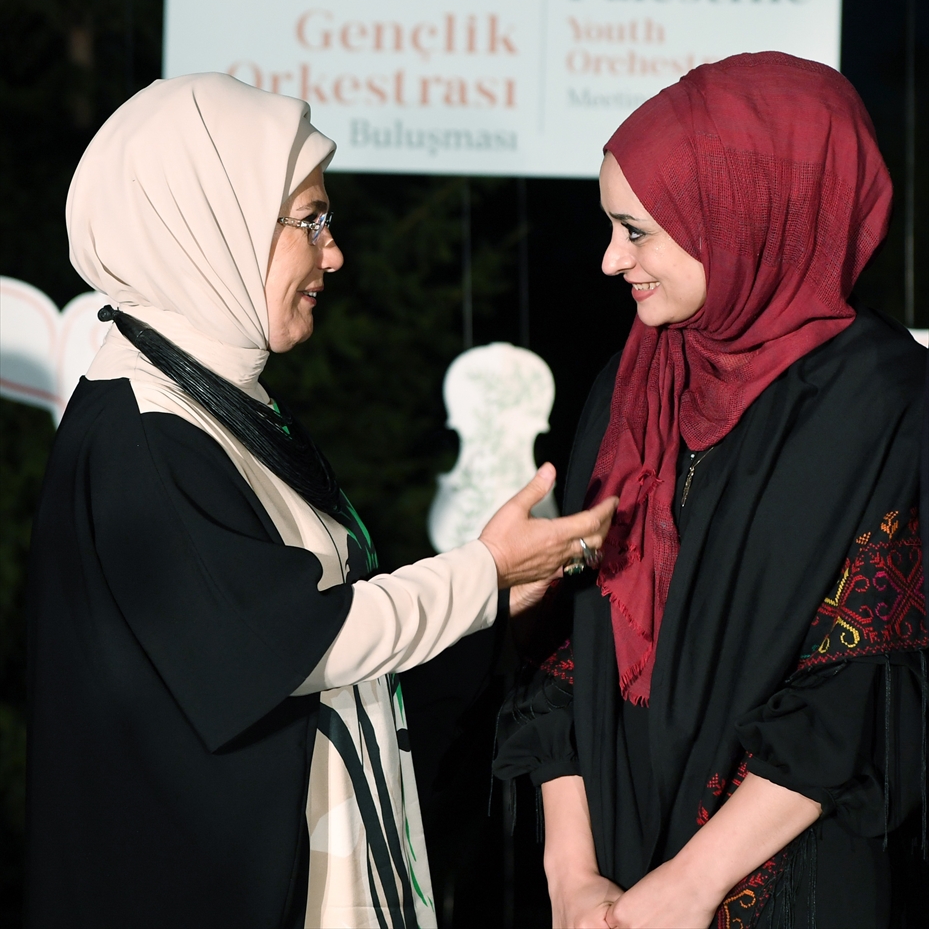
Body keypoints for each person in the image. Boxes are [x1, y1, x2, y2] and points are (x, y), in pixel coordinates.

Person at [25, 73, 614, 929]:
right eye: (308, 220)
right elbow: (291, 645)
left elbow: (301, 630)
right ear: (209, 223)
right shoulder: (146, 435)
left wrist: (493, 597)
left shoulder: (208, 400)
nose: (332, 254)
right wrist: (482, 575)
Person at [493, 52, 927, 929]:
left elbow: (863, 685)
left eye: (637, 231)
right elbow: (563, 645)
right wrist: (571, 874)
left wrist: (690, 886)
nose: (610, 260)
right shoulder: (637, 379)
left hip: (785, 883)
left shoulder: (885, 403)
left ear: (742, 214)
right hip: (614, 882)